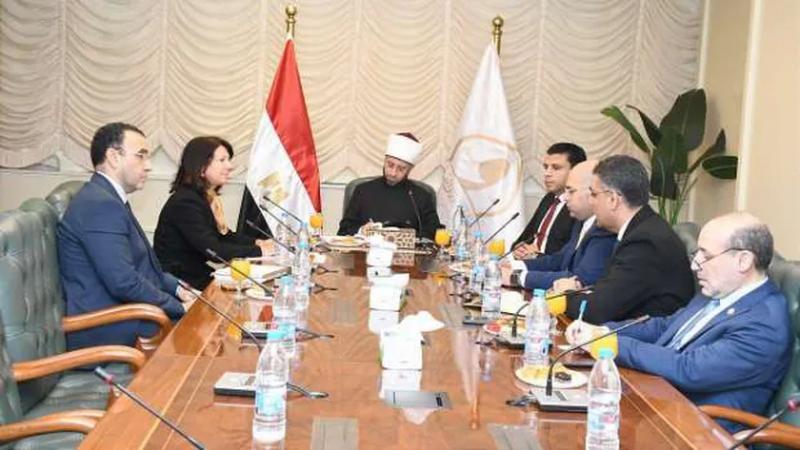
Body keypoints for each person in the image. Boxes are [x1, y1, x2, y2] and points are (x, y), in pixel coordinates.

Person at [566, 213, 793, 433]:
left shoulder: (764, 323)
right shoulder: (719, 290)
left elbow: (689, 369)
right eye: (697, 253)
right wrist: (604, 331)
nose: (695, 265)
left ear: (743, 260)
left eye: (706, 256)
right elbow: (665, 327)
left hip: (696, 429)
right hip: (656, 401)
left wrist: (612, 344)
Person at [57, 122, 194, 350]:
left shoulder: (108, 197)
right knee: (202, 337)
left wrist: (180, 290)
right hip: (107, 326)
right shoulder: (99, 205)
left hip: (125, 313)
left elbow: (145, 267)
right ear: (113, 157)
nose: (148, 166)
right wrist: (178, 307)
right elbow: (124, 282)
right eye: (141, 156)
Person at [559, 155, 694, 323]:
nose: (591, 202)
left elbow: (598, 310)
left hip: (644, 335)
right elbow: (610, 290)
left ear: (613, 200)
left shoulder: (645, 242)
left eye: (593, 194)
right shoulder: (642, 228)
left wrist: (565, 295)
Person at [154, 136, 274, 290]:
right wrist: (261, 251)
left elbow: (223, 236)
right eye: (222, 160)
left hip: (195, 274)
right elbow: (214, 250)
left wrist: (258, 242)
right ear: (201, 166)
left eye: (228, 160)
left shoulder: (203, 197)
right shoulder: (186, 202)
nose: (230, 166)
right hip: (178, 282)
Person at [501, 160, 615, 290]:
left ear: (592, 192)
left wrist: (517, 277)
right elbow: (559, 260)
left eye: (571, 191)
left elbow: (581, 279)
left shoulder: (605, 229)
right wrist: (515, 266)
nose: (565, 198)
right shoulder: (581, 221)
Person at [337, 132, 441, 239]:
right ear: (384, 161)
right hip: (368, 249)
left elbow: (434, 233)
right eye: (390, 165)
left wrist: (407, 236)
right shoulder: (362, 190)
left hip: (406, 249)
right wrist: (361, 230)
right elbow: (344, 230)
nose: (393, 173)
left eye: (401, 169)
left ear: (409, 170)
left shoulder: (422, 196)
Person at [512, 143, 586, 259]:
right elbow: (524, 238)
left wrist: (536, 256)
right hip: (527, 264)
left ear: (575, 171)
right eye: (546, 167)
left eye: (556, 168)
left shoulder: (580, 207)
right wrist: (519, 249)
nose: (547, 173)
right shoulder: (549, 198)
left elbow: (570, 259)